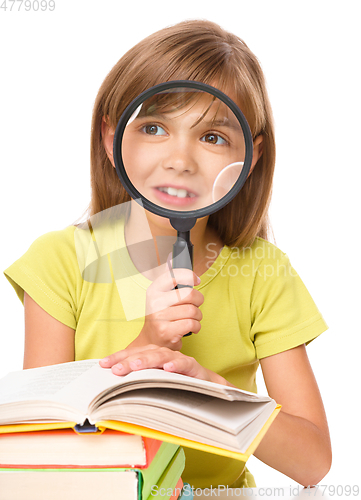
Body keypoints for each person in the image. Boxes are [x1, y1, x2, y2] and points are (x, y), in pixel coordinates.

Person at [4, 19, 332, 489]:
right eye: (155, 127)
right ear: (111, 141)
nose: (181, 159)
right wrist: (145, 348)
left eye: (213, 137)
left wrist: (214, 395)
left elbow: (313, 462)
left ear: (250, 159)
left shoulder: (265, 274)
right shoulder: (61, 260)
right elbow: (38, 445)